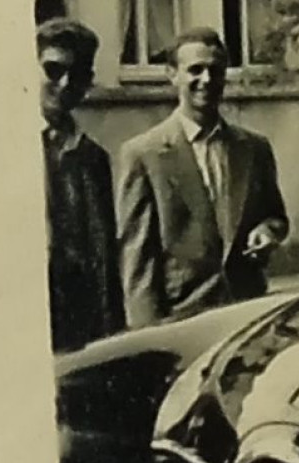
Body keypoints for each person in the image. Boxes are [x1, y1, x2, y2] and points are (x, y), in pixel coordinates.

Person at [117, 27, 289, 327]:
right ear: (173, 74)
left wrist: (268, 231)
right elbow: (138, 263)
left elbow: (276, 217)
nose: (206, 80)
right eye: (195, 70)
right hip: (182, 320)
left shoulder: (254, 148)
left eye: (216, 70)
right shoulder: (143, 154)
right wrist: (150, 339)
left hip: (247, 315)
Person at [37, 18, 124, 352]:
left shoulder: (92, 157)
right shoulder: (2, 148)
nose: (64, 84)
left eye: (78, 76)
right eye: (53, 70)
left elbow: (104, 257)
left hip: (80, 331)